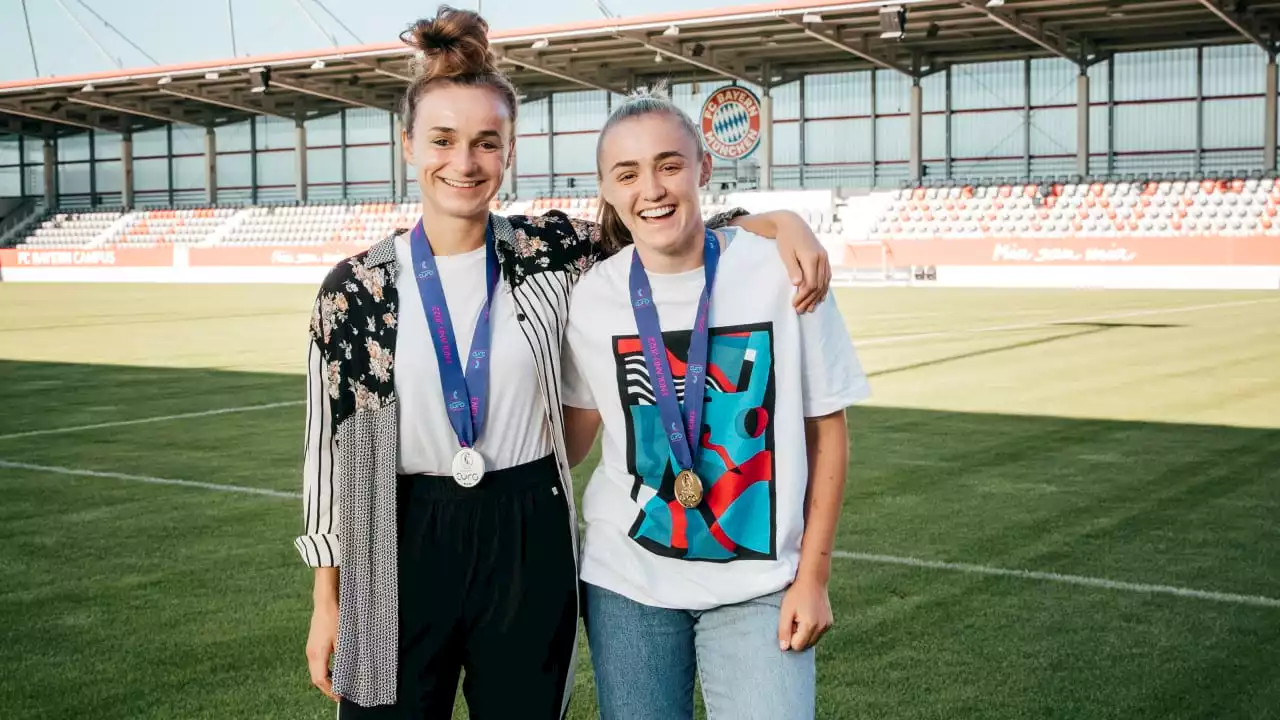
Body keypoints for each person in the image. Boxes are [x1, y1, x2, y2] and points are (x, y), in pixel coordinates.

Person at [294, 5, 835, 719]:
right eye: (443, 140)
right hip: (398, 530)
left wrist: (778, 221)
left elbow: (663, 224)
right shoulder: (356, 289)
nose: (464, 162)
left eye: (486, 143)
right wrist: (329, 601)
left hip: (528, 530)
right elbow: (337, 458)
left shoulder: (552, 252)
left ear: (508, 152)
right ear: (408, 145)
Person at [561, 85, 870, 720]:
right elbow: (578, 435)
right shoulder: (591, 296)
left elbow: (827, 433)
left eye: (669, 165)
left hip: (759, 585)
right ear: (607, 188)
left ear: (702, 168)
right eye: (629, 173)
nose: (652, 189)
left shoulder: (782, 274)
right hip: (628, 585)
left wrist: (813, 578)